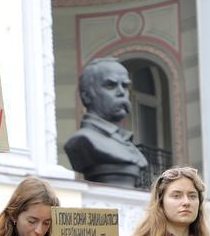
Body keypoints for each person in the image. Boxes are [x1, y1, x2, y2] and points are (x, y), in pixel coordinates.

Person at [63, 57, 148, 187]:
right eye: (110, 85)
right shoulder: (83, 140)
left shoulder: (124, 141)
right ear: (86, 95)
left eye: (125, 86)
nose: (122, 92)